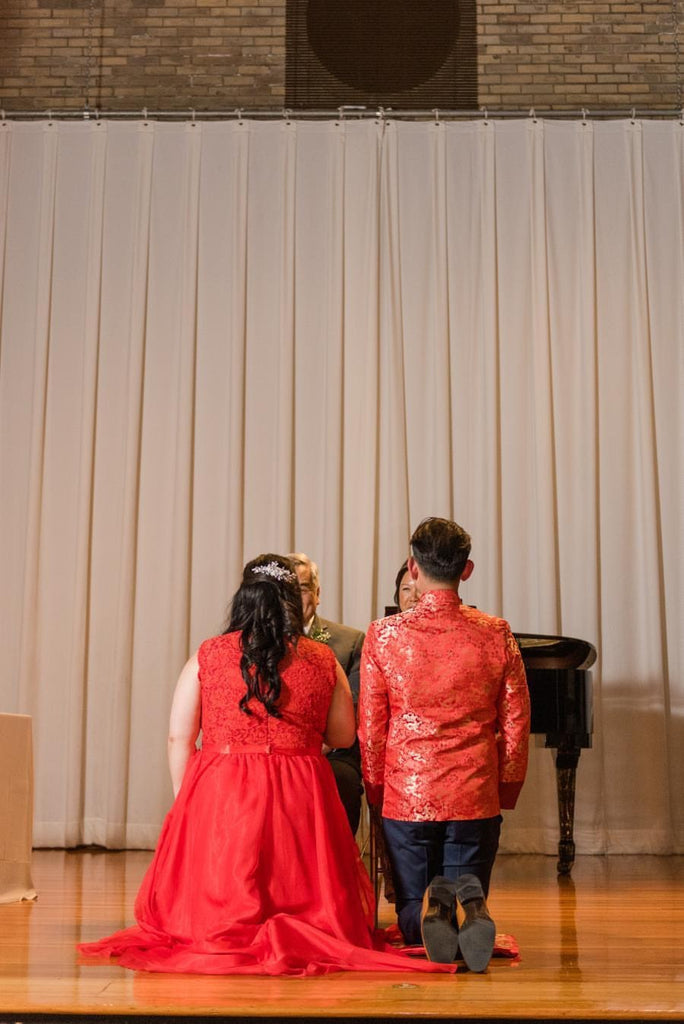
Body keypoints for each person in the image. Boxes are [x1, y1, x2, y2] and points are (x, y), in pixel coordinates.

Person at [78, 554, 455, 976]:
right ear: (294, 603)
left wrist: (189, 803)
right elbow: (344, 737)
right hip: (300, 789)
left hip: (224, 787)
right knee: (297, 883)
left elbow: (178, 736)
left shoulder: (209, 654)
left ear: (243, 599)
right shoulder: (320, 658)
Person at [359, 519, 530, 971]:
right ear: (467, 570)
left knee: (412, 916)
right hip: (474, 789)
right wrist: (506, 788)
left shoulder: (383, 635)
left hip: (407, 792)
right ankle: (466, 902)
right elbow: (516, 721)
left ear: (412, 568)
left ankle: (428, 913)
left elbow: (372, 727)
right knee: (465, 875)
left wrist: (376, 789)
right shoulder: (496, 632)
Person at [287, 552, 365, 835]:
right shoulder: (262, 639)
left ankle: (337, 869)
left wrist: (316, 748)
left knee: (339, 778)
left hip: (332, 752)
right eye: (288, 589)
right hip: (279, 751)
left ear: (317, 594)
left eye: (303, 588)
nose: (295, 596)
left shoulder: (350, 641)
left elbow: (354, 705)